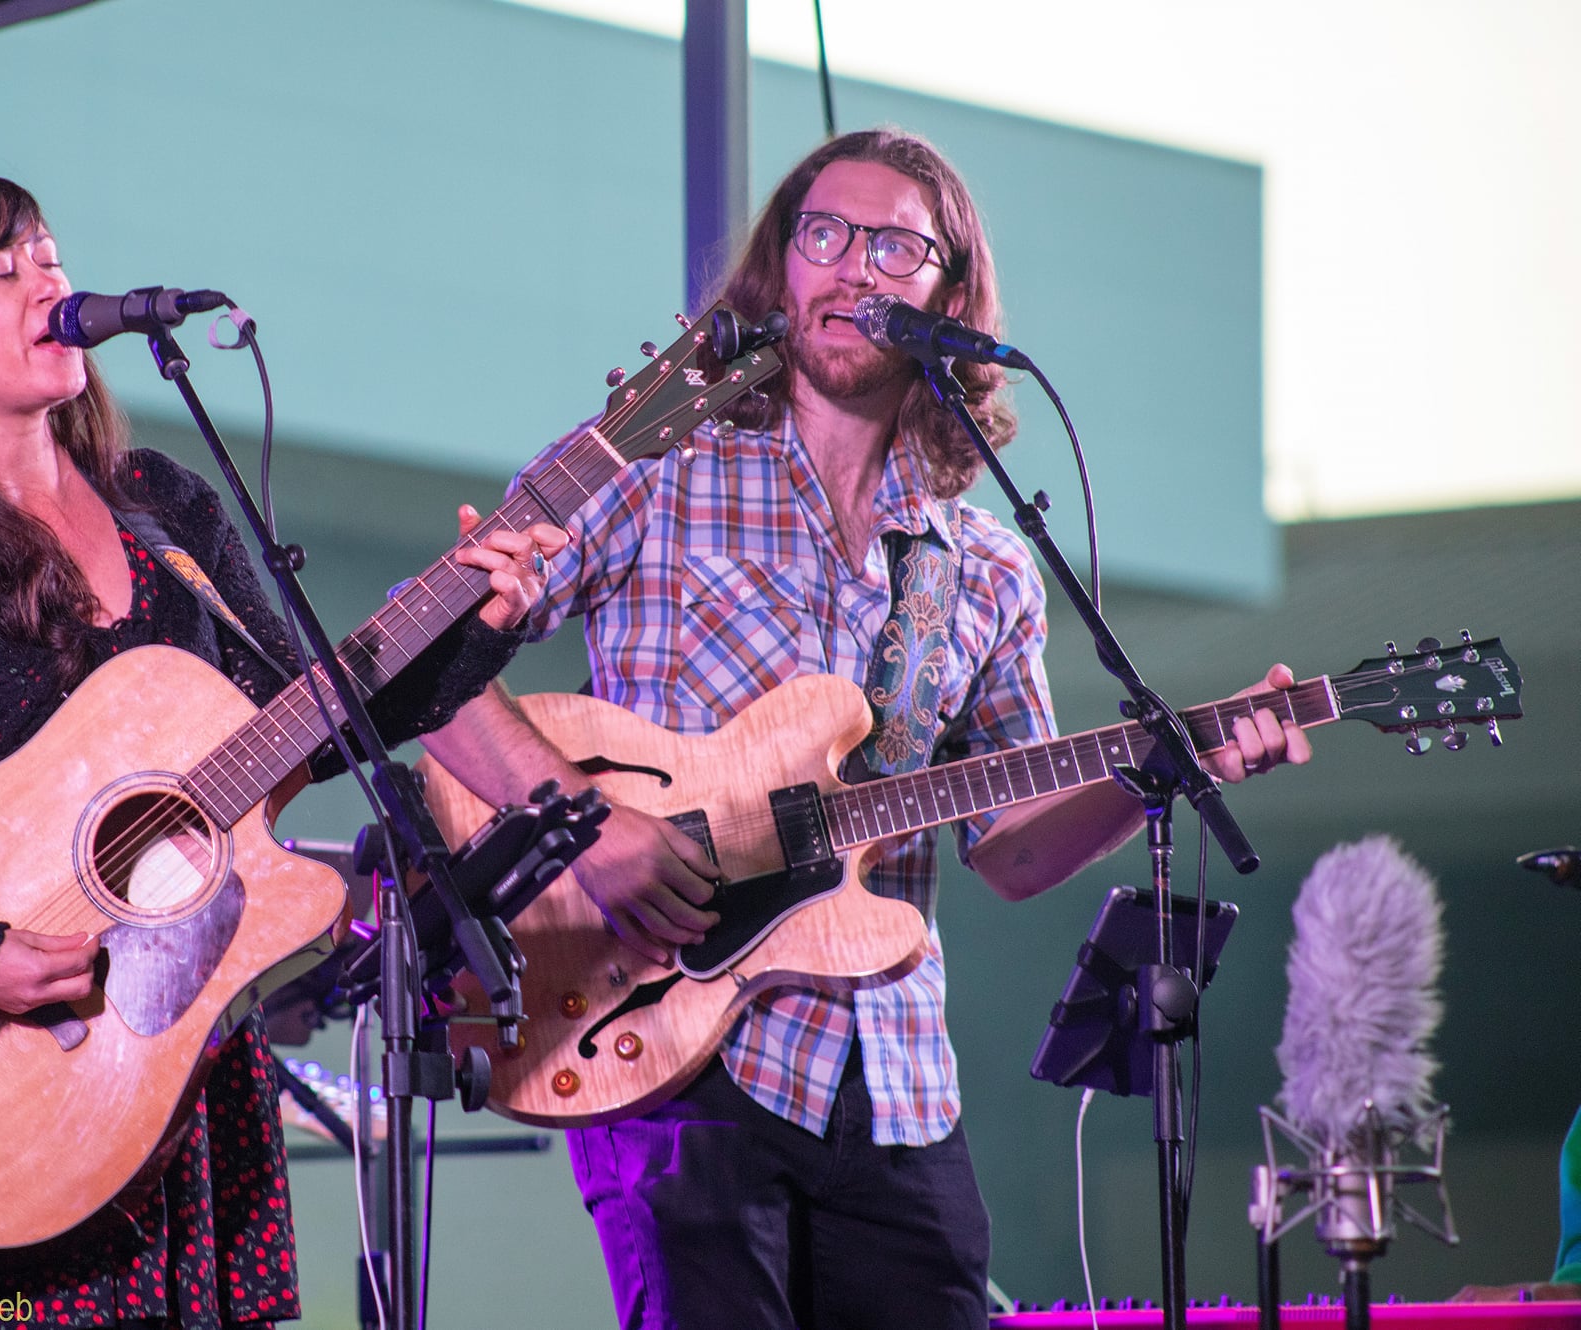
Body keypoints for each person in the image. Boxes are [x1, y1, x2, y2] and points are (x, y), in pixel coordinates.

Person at [418, 127, 1309, 1330]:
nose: (851, 269)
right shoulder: (651, 464)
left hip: (893, 1080)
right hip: (675, 1040)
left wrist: (1165, 767)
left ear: (948, 291)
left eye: (895, 245)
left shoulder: (983, 562)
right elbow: (425, 670)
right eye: (823, 235)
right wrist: (589, 834)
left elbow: (1011, 847)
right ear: (779, 267)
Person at [0, 170, 565, 1330]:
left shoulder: (163, 509)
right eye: (0, 269)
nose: (48, 281)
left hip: (180, 1071)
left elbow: (304, 728)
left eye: (46, 253)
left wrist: (475, 624)